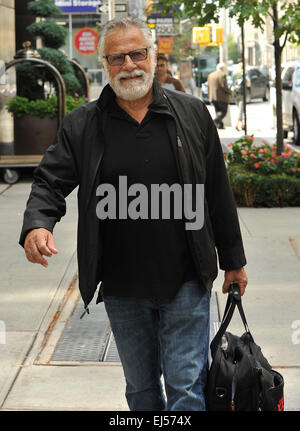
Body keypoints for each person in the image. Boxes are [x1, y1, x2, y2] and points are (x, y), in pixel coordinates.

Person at [19, 17, 248, 411]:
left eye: (137, 54)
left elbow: (217, 192)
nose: (129, 65)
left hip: (186, 279)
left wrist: (233, 261)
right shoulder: (83, 124)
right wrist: (38, 224)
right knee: (141, 392)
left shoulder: (191, 115)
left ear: (153, 56)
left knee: (187, 389)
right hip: (123, 286)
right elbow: (49, 180)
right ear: (105, 65)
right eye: (117, 57)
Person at [207, 62, 232, 129]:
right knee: (223, 112)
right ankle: (214, 122)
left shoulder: (211, 75)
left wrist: (209, 96)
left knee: (218, 112)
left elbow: (208, 87)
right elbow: (224, 86)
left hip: (213, 97)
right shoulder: (222, 75)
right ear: (222, 68)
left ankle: (220, 125)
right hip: (222, 97)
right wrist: (230, 92)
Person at [234, 62, 245, 131]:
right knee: (241, 110)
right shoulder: (243, 74)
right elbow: (248, 82)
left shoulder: (235, 74)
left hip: (235, 94)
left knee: (241, 109)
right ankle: (237, 124)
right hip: (242, 93)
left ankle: (242, 124)